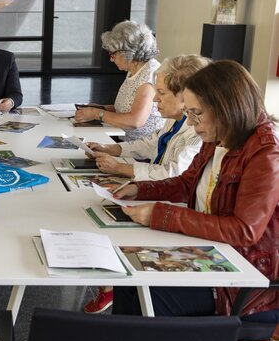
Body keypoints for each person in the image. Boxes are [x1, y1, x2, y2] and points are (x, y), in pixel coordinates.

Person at [113, 60, 279, 323]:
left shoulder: (265, 153)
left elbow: (244, 231)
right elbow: (186, 183)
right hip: (208, 251)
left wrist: (163, 215)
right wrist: (140, 189)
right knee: (127, 274)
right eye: (189, 113)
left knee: (151, 297)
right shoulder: (219, 135)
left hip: (240, 278)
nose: (190, 121)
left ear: (225, 109)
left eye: (196, 113)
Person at [82, 54, 210, 314]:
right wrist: (115, 150)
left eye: (161, 93)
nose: (154, 100)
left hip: (177, 212)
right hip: (169, 202)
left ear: (185, 96)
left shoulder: (200, 133)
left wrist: (122, 168)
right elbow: (153, 144)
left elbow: (174, 173)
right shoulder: (179, 120)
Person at [74, 20, 163, 141]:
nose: (111, 59)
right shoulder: (135, 69)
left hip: (139, 146)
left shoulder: (148, 78)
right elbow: (126, 108)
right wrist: (101, 108)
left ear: (127, 52)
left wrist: (96, 113)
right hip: (124, 139)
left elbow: (135, 121)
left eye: (113, 54)